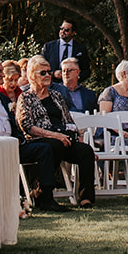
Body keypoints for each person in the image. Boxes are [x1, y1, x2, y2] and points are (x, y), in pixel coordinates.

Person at [0, 57, 62, 207]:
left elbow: (15, 125)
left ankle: (45, 197)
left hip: (12, 146)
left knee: (45, 149)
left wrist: (19, 138)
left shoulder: (2, 98)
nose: (3, 75)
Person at [16, 56, 97, 208]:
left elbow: (69, 121)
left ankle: (86, 197)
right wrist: (54, 135)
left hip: (62, 140)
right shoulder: (25, 97)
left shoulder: (56, 96)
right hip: (40, 140)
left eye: (49, 72)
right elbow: (26, 126)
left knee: (86, 151)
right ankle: (42, 192)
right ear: (32, 75)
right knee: (54, 145)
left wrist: (78, 140)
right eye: (43, 73)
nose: (48, 75)